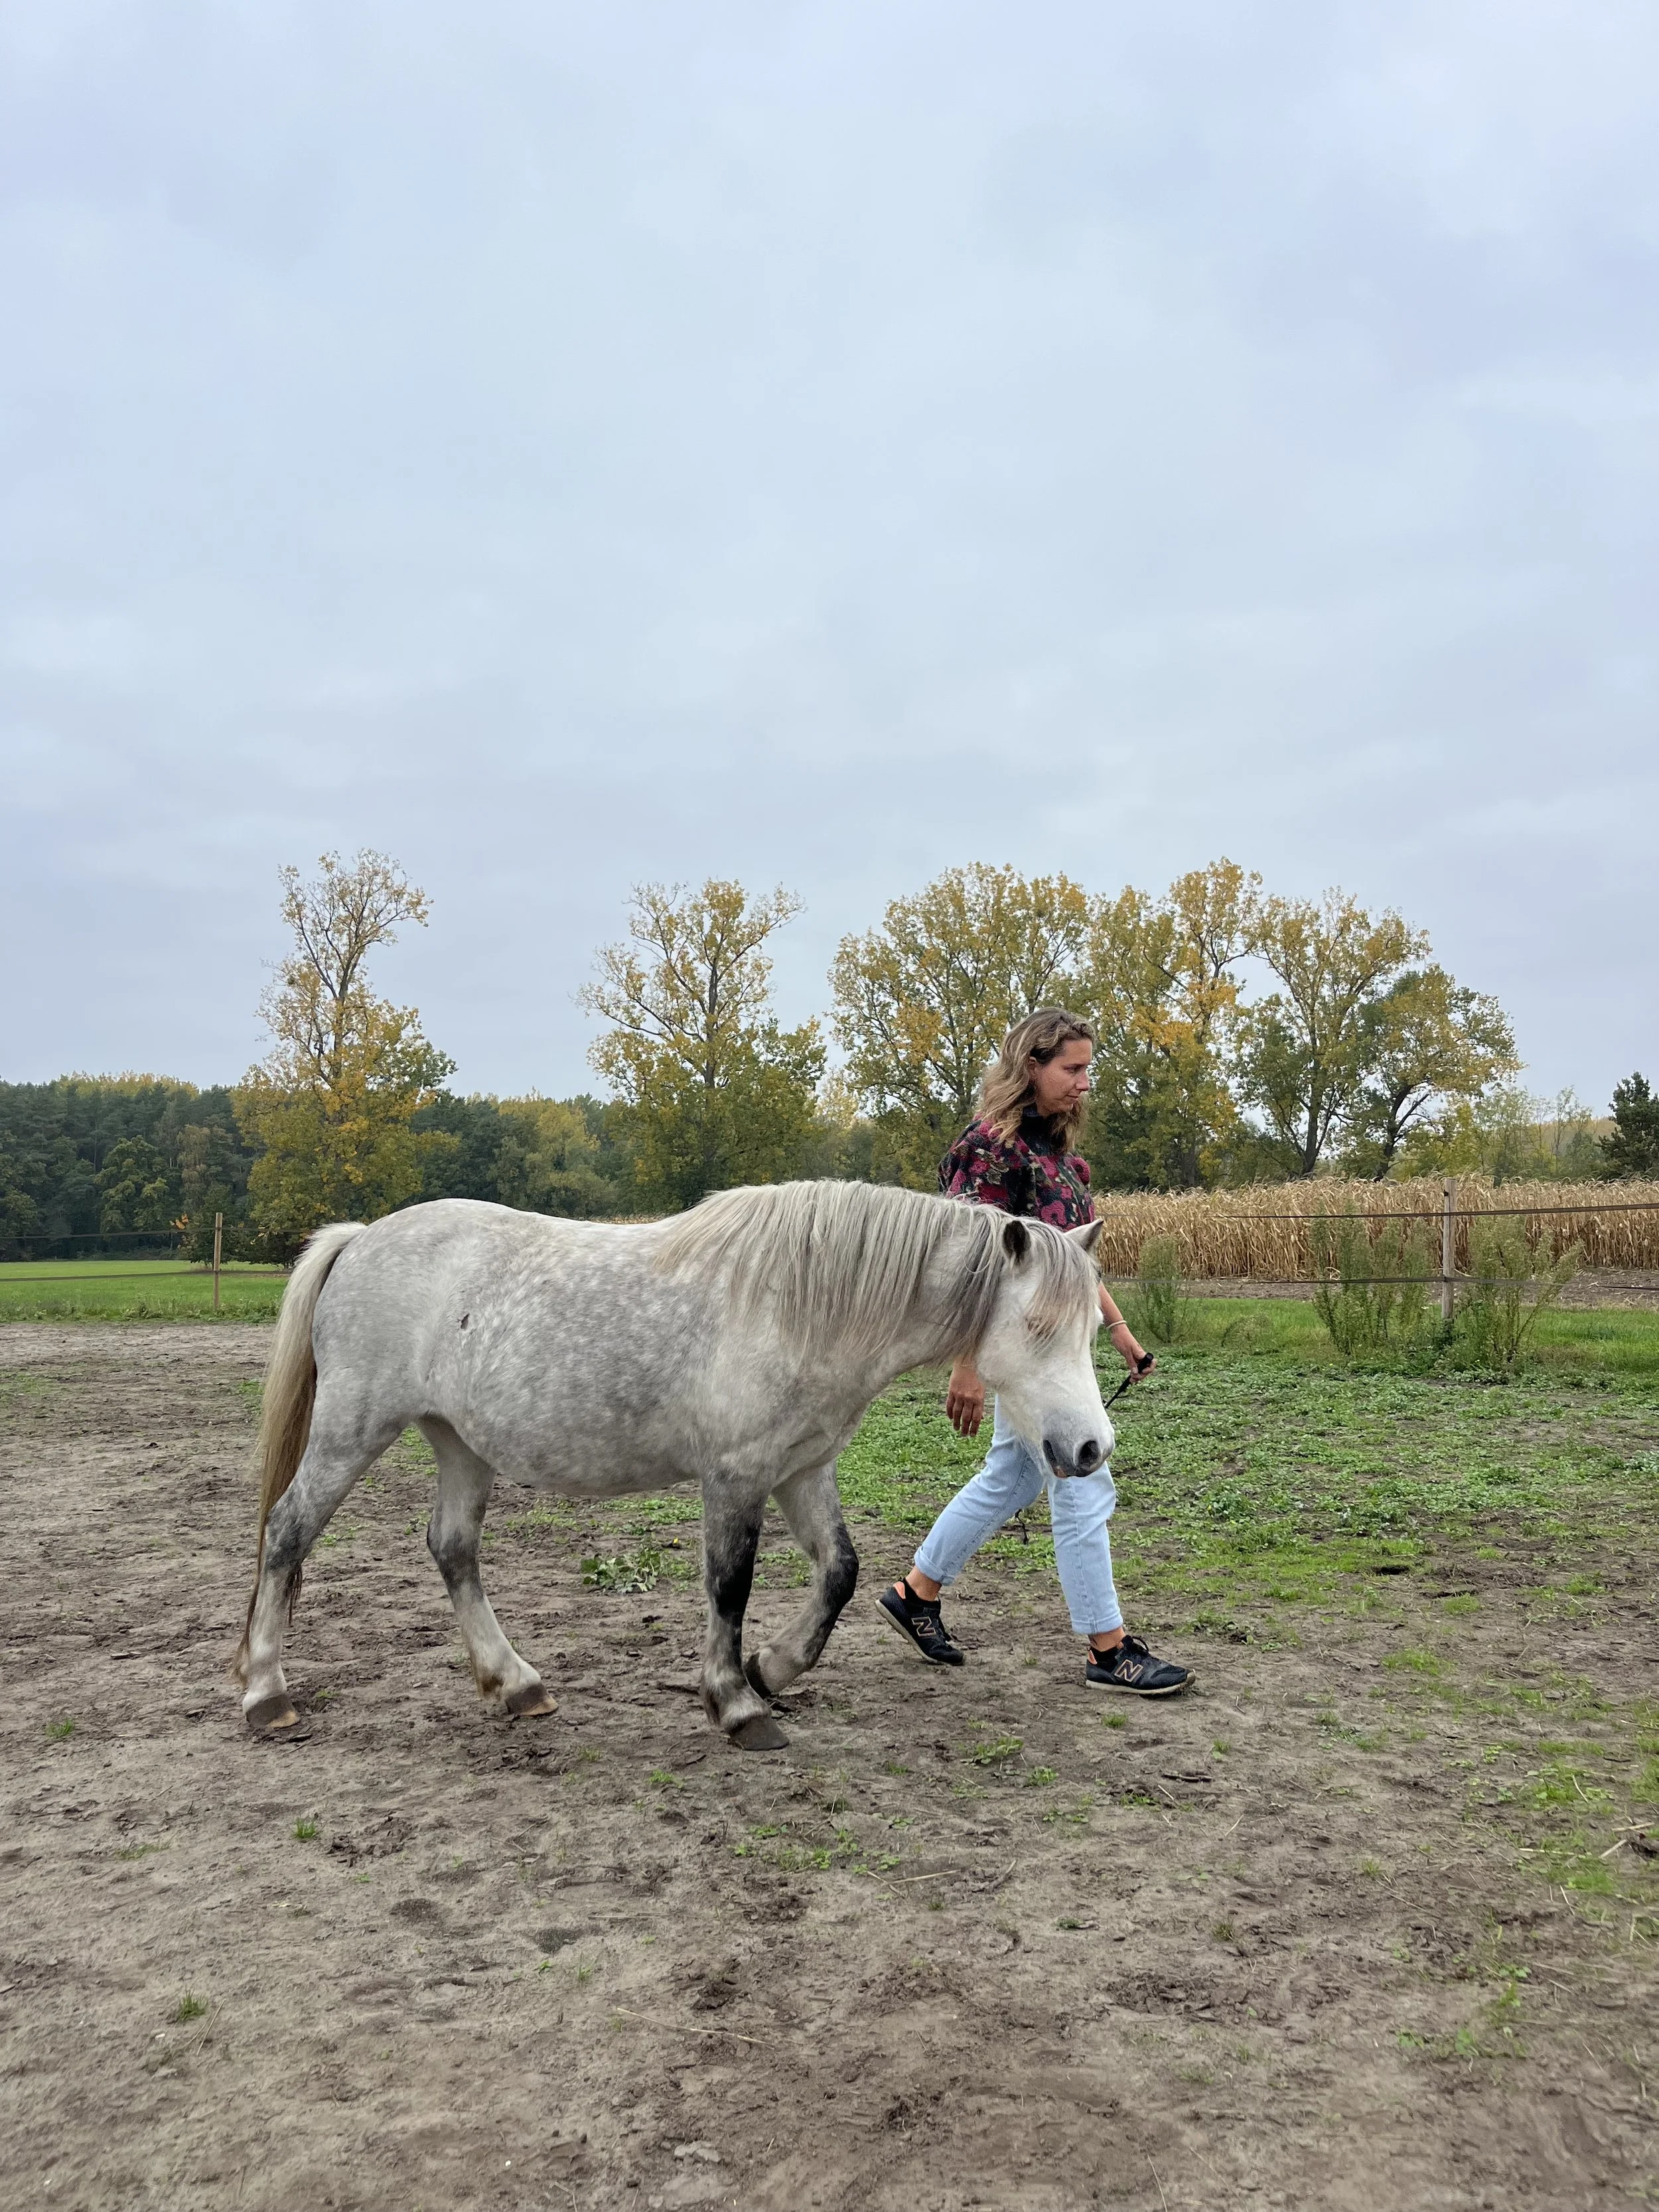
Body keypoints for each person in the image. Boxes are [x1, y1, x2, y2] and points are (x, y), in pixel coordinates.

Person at [877, 1007, 1193, 1697]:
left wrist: (1118, 1329)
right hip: (1017, 1354)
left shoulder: (1062, 1161)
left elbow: (1073, 1263)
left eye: (1087, 1068)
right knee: (1081, 1476)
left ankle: (916, 1593)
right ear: (1032, 1066)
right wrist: (967, 1364)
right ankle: (1107, 1649)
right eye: (1072, 1069)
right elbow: (964, 1264)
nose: (1085, 1083)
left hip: (1053, 1351)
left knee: (1014, 1477)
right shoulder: (989, 1149)